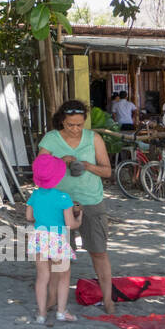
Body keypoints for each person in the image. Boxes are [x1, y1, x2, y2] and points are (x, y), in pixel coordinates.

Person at [38, 99, 115, 312]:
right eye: (70, 124)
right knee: (59, 255)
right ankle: (53, 297)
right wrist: (60, 162)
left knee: (99, 252)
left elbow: (107, 171)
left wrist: (89, 166)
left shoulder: (94, 138)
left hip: (91, 202)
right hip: (58, 205)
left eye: (79, 125)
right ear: (62, 121)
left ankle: (108, 299)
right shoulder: (51, 140)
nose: (75, 129)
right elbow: (40, 172)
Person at [25, 153, 83, 325]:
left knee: (42, 277)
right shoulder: (63, 198)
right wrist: (80, 218)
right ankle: (61, 311)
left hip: (39, 238)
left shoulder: (35, 195)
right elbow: (71, 224)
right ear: (58, 177)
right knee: (64, 275)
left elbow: (29, 217)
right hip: (57, 239)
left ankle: (41, 314)